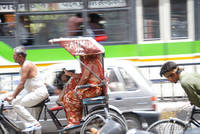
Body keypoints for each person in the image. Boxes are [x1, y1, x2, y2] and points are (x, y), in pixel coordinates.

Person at [5, 46, 49, 132]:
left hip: (38, 93)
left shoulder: (26, 65)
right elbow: (23, 86)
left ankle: (33, 123)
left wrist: (13, 96)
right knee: (33, 123)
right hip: (34, 94)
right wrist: (13, 95)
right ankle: (33, 124)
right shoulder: (23, 66)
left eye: (14, 55)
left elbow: (21, 84)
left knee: (16, 103)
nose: (13, 57)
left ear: (20, 56)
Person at [62, 54, 104, 129]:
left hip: (92, 90)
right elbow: (83, 76)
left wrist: (77, 88)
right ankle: (77, 119)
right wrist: (70, 74)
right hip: (94, 89)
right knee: (71, 93)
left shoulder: (91, 63)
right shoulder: (95, 61)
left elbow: (84, 78)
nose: (82, 57)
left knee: (68, 97)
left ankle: (74, 121)